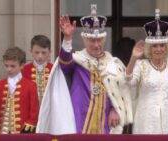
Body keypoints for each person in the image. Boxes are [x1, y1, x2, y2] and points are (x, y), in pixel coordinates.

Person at [36, 4, 132, 135]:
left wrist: (115, 109)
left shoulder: (113, 64)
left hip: (105, 124)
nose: (96, 45)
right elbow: (64, 62)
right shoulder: (77, 61)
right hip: (79, 119)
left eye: (99, 40)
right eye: (92, 41)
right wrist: (68, 38)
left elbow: (121, 91)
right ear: (84, 40)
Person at [126, 9, 168, 134]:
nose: (159, 49)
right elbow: (128, 82)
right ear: (149, 48)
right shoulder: (141, 65)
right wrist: (133, 58)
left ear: (167, 47)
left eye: (162, 45)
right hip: (146, 123)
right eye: (155, 46)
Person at [0, 47, 39, 134]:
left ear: (22, 65)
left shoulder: (31, 86)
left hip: (22, 135)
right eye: (6, 65)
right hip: (1, 134)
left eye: (12, 66)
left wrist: (25, 133)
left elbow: (34, 113)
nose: (9, 69)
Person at [22, 35, 53, 103]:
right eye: (37, 52)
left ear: (50, 52)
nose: (40, 56)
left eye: (43, 52)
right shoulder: (24, 70)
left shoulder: (54, 70)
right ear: (31, 51)